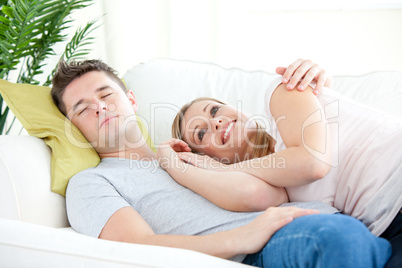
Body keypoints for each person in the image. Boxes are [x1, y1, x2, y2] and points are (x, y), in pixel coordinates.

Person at [51, 59, 391, 267]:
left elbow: (268, 194)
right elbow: (135, 248)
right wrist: (243, 237)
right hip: (271, 242)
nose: (99, 108)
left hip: (348, 221)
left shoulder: (194, 152)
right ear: (73, 126)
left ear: (131, 100)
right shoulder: (90, 183)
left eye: (105, 95)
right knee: (338, 239)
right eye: (82, 109)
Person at [169, 59, 402, 267]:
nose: (216, 121)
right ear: (208, 157)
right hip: (387, 229)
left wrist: (225, 169)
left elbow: (314, 162)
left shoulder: (280, 93)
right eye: (201, 133)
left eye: (214, 110)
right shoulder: (274, 190)